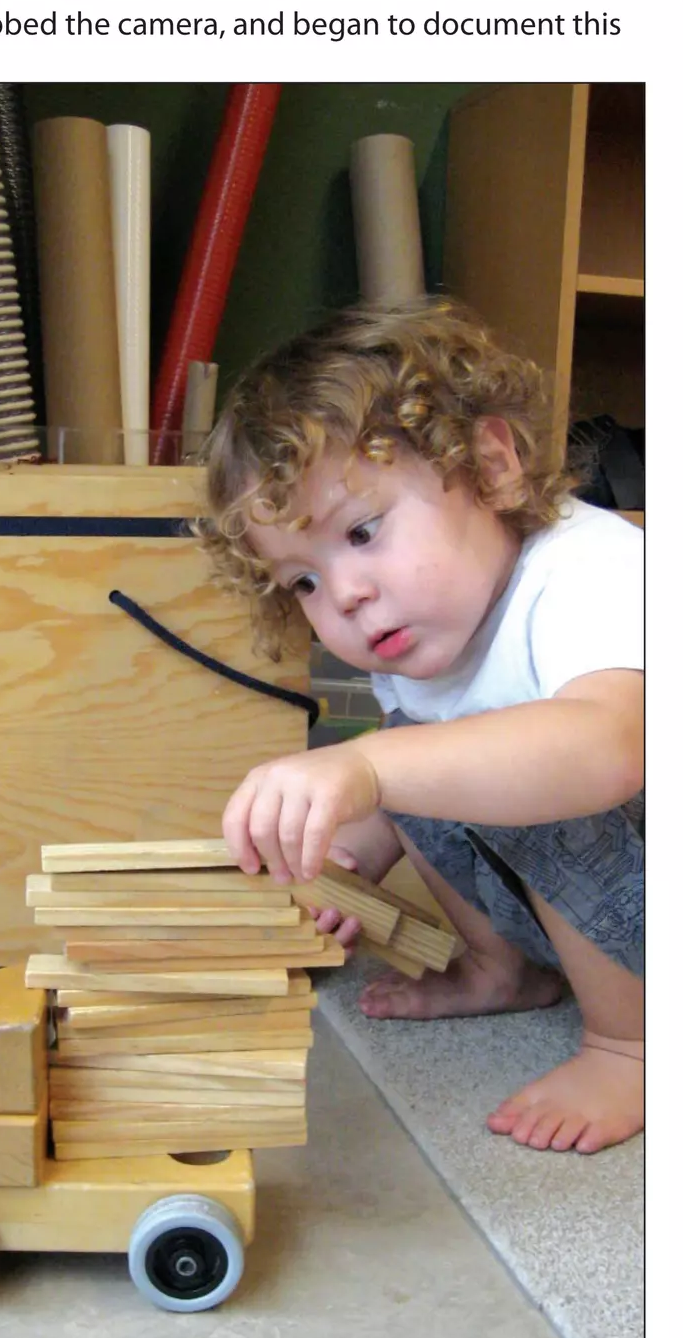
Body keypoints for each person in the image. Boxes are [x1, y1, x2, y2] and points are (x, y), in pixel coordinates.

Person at [198, 300, 645, 1154]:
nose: (345, 596)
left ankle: (633, 1042)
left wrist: (371, 765)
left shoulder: (591, 571)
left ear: (490, 464)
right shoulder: (415, 631)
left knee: (484, 759)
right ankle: (502, 967)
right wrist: (339, 856)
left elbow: (609, 748)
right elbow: (412, 793)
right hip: (602, 901)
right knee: (417, 757)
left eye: (363, 531)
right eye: (303, 582)